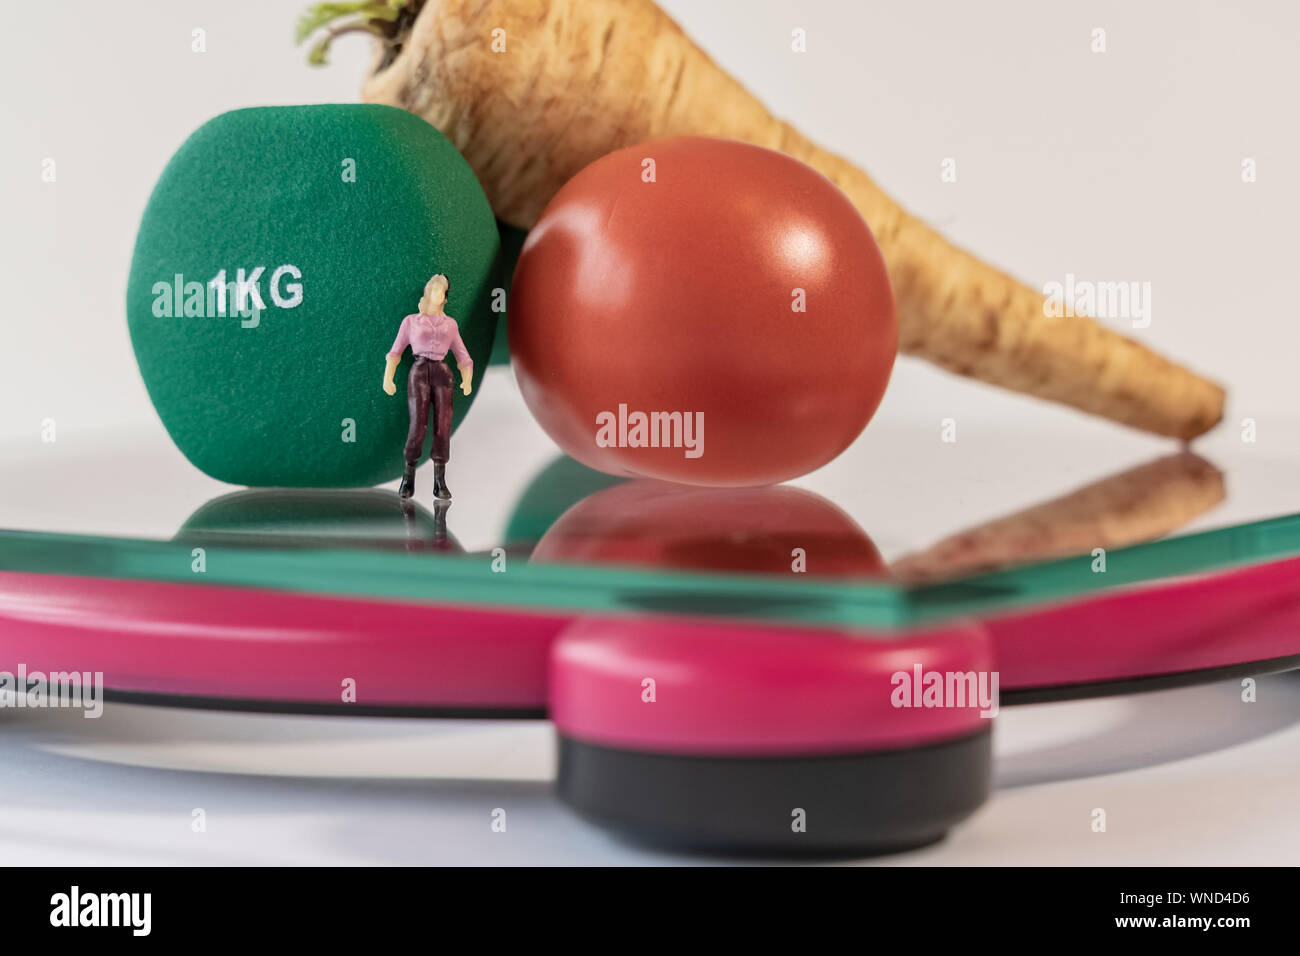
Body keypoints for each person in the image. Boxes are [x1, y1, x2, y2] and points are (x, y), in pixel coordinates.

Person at [382, 274, 473, 500]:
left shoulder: (450, 325)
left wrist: (467, 378)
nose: (437, 293)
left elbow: (463, 355)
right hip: (419, 371)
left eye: (441, 291)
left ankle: (439, 480)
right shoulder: (411, 321)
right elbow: (395, 352)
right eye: (433, 289)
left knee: (443, 427)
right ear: (427, 292)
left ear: (444, 298)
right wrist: (388, 378)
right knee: (418, 425)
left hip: (442, 373)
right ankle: (408, 476)